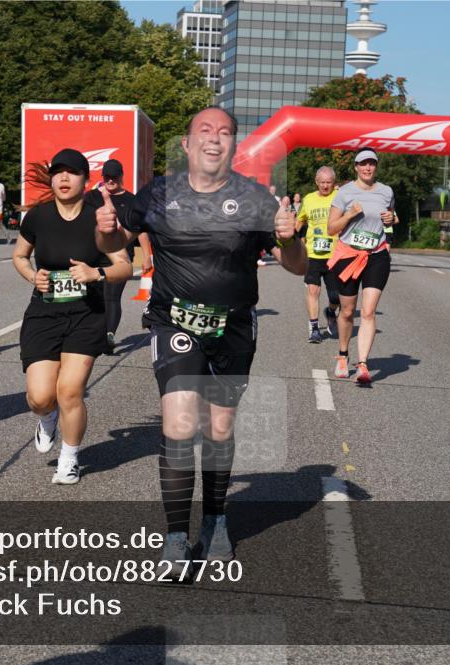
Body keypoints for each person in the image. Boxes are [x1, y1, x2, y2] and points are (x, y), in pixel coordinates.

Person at [95, 106, 305, 575]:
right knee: (180, 418)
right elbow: (114, 245)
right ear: (187, 145)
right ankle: (174, 536)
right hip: (175, 322)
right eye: (204, 132)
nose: (215, 140)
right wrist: (105, 232)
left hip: (233, 327)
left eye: (225, 133)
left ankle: (215, 519)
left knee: (219, 430)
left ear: (234, 146)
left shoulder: (255, 201)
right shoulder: (159, 193)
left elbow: (296, 266)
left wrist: (291, 239)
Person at [15, 150, 132, 484]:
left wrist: (97, 273)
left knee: (70, 390)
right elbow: (21, 256)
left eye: (72, 173)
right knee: (40, 397)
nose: (64, 179)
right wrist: (31, 275)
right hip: (44, 313)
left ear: (86, 179)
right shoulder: (38, 217)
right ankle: (48, 417)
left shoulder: (98, 218)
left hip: (87, 314)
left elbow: (125, 265)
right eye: (58, 173)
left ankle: (70, 458)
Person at [326, 148, 397, 383]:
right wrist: (349, 215)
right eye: (363, 164)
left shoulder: (386, 192)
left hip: (376, 255)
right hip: (348, 255)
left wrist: (391, 219)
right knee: (347, 311)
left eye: (372, 164)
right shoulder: (345, 193)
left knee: (368, 312)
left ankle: (363, 364)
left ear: (376, 166)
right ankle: (343, 355)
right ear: (355, 166)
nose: (368, 168)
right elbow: (331, 228)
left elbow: (391, 217)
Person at [83, 159, 151, 354]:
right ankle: (95, 333)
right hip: (93, 257)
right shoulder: (92, 197)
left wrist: (146, 256)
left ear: (121, 176)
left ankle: (109, 335)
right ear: (102, 177)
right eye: (107, 177)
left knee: (112, 297)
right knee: (94, 297)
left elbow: (142, 231)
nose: (111, 181)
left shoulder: (132, 201)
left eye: (114, 177)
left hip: (121, 258)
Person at [296, 166, 340, 342]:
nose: (325, 186)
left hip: (335, 254)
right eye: (322, 182)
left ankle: (330, 311)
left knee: (335, 296)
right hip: (313, 254)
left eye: (329, 182)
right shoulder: (308, 199)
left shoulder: (339, 197)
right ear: (316, 182)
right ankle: (314, 328)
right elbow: (299, 222)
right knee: (313, 290)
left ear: (333, 183)